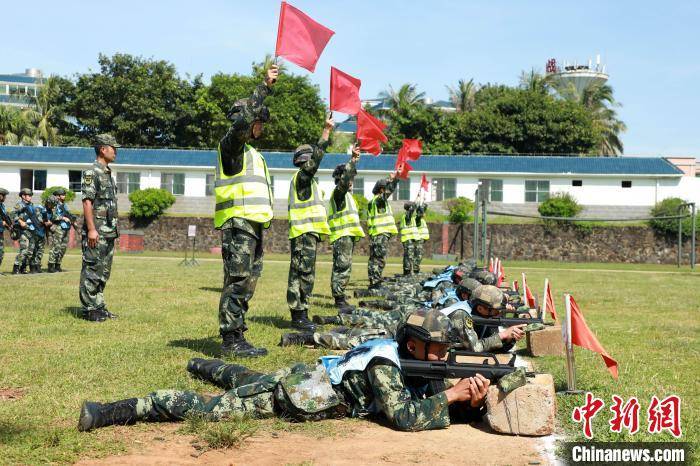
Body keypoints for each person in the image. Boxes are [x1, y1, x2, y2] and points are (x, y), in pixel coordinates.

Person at [77, 309, 490, 432]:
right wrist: (453, 396)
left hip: (304, 377)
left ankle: (202, 363)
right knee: (207, 407)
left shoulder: (399, 352)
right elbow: (402, 416)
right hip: (296, 394)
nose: (440, 358)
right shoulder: (386, 361)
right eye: (436, 350)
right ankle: (114, 410)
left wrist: (466, 393)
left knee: (245, 377)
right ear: (415, 344)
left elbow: (421, 389)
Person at [214, 65, 278, 357]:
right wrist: (264, 87)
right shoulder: (232, 147)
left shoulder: (254, 154)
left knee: (248, 282)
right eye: (258, 121)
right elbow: (241, 124)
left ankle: (238, 331)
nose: (261, 126)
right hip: (239, 224)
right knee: (238, 280)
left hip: (253, 226)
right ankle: (230, 339)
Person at [286, 116, 335, 331]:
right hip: (303, 233)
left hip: (308, 233)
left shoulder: (309, 182)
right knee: (301, 274)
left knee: (306, 274)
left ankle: (302, 313)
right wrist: (325, 133)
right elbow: (314, 163)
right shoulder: (302, 179)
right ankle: (298, 315)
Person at [79, 134, 120, 322]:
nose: (116, 151)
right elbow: (87, 202)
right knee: (92, 268)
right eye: (113, 147)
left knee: (104, 270)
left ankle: (99, 305)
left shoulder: (108, 173)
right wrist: (91, 229)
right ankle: (89, 308)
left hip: (109, 230)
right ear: (103, 149)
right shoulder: (92, 173)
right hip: (97, 230)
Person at [328, 144, 364, 311]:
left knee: (345, 266)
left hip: (346, 236)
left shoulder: (347, 197)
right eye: (350, 177)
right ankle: (339, 299)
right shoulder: (339, 194)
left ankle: (340, 295)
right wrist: (353, 160)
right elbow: (343, 183)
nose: (352, 181)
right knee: (341, 267)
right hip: (342, 236)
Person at [469, 285, 526, 353]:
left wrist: (508, 339)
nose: (499, 312)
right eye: (496, 309)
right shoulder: (462, 315)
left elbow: (491, 348)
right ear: (480, 308)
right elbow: (475, 348)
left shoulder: (483, 318)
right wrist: (503, 335)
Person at [367, 173, 399, 289]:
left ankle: (375, 281)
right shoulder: (378, 201)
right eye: (385, 188)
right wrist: (394, 179)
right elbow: (388, 192)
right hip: (380, 233)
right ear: (381, 189)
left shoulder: (377, 201)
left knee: (375, 259)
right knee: (379, 259)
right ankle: (375, 283)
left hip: (378, 234)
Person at [12, 188, 39, 275]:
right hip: (23, 230)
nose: (30, 197)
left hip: (32, 230)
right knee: (24, 250)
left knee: (30, 252)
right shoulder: (19, 205)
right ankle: (16, 267)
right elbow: (12, 214)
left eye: (31, 195)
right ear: (23, 196)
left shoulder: (32, 205)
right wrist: (20, 221)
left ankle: (23, 268)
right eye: (29, 195)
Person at [47, 188, 73, 273]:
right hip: (58, 227)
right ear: (57, 196)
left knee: (63, 248)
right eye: (62, 194)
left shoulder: (65, 205)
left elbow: (69, 214)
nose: (64, 196)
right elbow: (53, 216)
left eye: (64, 194)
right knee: (56, 247)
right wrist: (63, 218)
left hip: (66, 228)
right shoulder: (54, 204)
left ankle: (58, 264)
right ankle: (51, 265)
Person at [29, 200, 51, 273]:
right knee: (33, 250)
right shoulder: (39, 208)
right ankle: (32, 267)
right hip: (35, 232)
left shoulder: (50, 212)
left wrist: (47, 237)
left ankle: (37, 265)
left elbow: (47, 226)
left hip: (42, 233)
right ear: (48, 203)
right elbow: (38, 219)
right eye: (52, 204)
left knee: (40, 251)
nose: (53, 207)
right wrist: (46, 222)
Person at [399, 202, 420, 276]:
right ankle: (408, 272)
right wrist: (413, 206)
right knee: (409, 256)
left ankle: (409, 271)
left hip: (412, 238)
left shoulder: (411, 216)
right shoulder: (407, 215)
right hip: (408, 238)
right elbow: (410, 212)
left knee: (411, 255)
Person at [413, 203, 429, 273]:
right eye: (423, 211)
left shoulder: (421, 219)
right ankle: (415, 270)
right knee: (418, 255)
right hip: (419, 239)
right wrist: (421, 210)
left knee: (418, 255)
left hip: (421, 240)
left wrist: (424, 207)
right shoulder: (417, 219)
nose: (424, 213)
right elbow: (419, 216)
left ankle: (415, 269)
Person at [0, 187, 10, 272]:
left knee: (1, 252)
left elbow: (5, 218)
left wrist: (8, 225)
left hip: (0, 232)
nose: (5, 198)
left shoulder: (2, 206)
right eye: (4, 196)